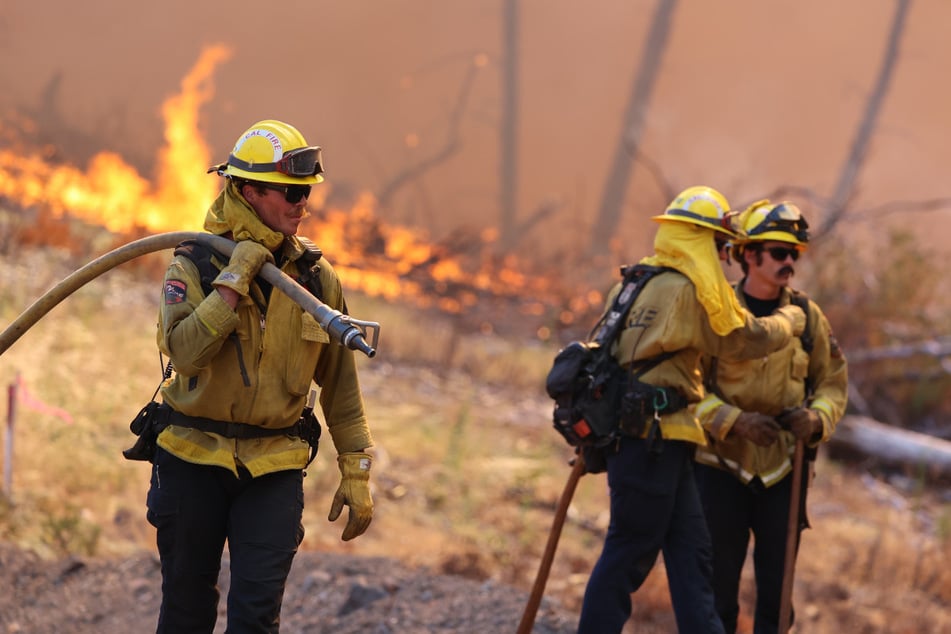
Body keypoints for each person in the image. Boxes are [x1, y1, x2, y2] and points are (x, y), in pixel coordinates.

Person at [147, 119, 374, 633]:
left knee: (256, 618)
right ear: (247, 191)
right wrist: (232, 282)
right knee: (186, 611)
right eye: (290, 192)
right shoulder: (195, 263)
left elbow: (341, 385)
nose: (302, 204)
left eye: (306, 193)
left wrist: (357, 466)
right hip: (190, 458)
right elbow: (184, 354)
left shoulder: (316, 279)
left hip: (274, 466)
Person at [576, 186, 807, 634]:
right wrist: (790, 321)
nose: (724, 258)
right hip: (651, 441)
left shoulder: (634, 282)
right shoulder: (688, 290)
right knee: (629, 551)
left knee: (692, 557)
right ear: (699, 241)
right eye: (721, 246)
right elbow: (743, 341)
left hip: (663, 438)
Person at [693, 200, 847, 634]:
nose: (789, 262)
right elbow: (687, 387)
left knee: (778, 597)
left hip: (785, 470)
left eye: (794, 253)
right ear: (748, 254)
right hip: (719, 467)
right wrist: (733, 420)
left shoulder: (808, 317)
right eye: (780, 252)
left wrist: (815, 420)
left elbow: (833, 382)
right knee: (715, 588)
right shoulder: (717, 312)